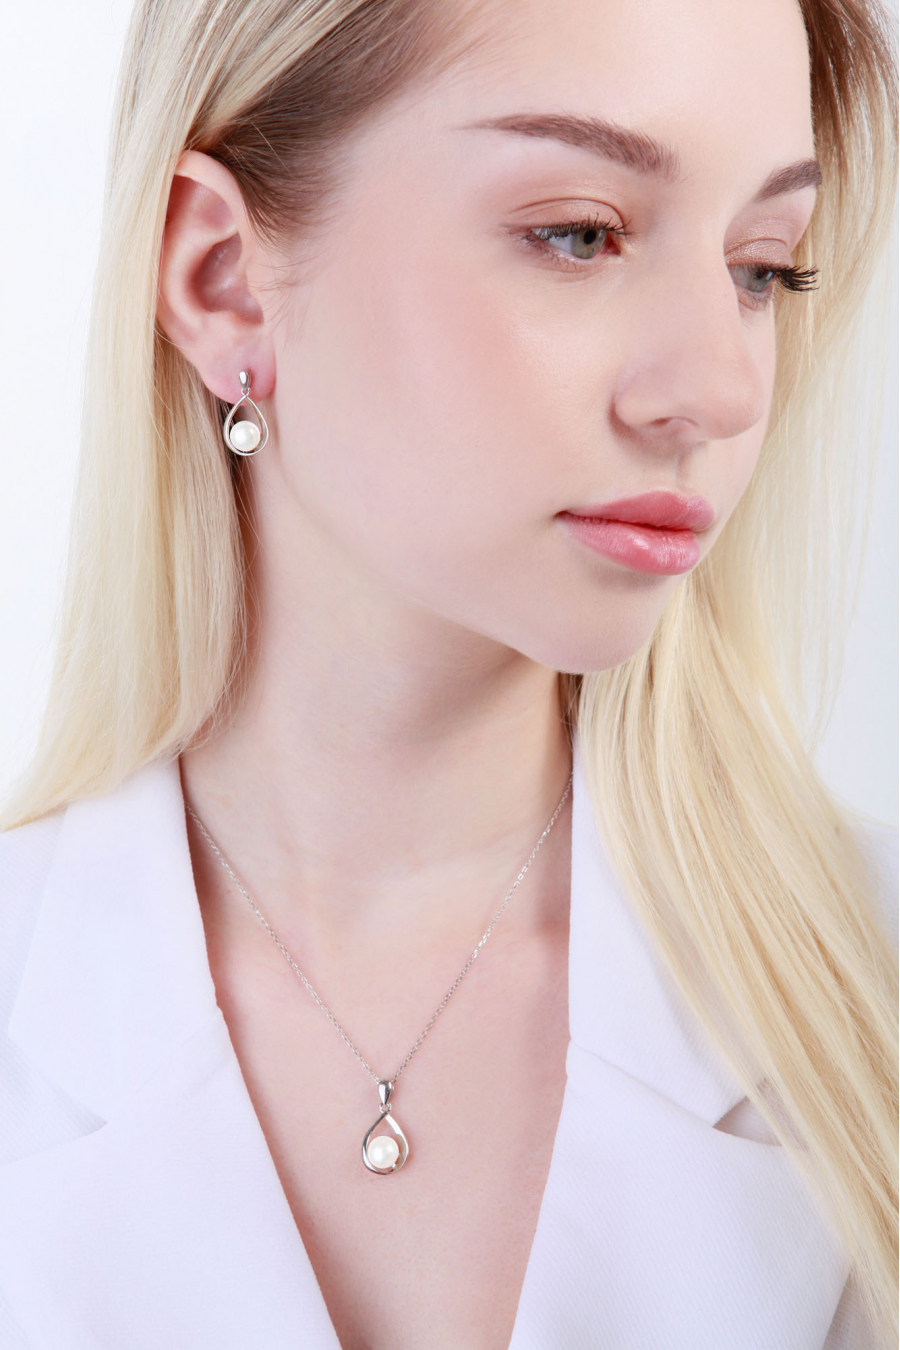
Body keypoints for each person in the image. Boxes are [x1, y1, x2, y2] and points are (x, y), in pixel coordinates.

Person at [0, 0, 896, 1345]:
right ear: (223, 280)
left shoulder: (872, 989)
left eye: (761, 267)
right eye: (580, 233)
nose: (720, 389)